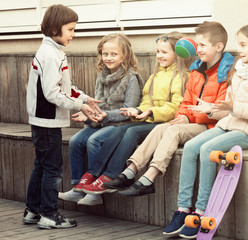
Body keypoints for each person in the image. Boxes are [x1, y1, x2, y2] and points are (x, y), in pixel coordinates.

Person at [163, 22, 248, 239]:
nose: (238, 49)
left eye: (243, 45)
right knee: (192, 147)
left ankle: (201, 211)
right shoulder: (238, 70)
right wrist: (211, 109)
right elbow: (227, 109)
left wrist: (232, 108)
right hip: (228, 124)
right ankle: (183, 210)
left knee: (208, 149)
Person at [104, 21, 234, 197]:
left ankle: (149, 178)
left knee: (173, 131)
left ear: (219, 46)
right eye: (198, 45)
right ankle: (130, 171)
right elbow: (186, 102)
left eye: (202, 45)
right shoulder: (196, 71)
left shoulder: (225, 74)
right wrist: (183, 116)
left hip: (210, 126)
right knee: (161, 128)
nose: (198, 49)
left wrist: (189, 118)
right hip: (193, 122)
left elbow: (220, 111)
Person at [62, 31, 191, 206]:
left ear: (178, 54)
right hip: (146, 118)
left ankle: (110, 175)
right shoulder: (155, 76)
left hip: (164, 123)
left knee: (126, 132)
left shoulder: (181, 77)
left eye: (164, 52)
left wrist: (148, 111)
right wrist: (137, 110)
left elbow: (176, 106)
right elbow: (146, 101)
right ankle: (90, 178)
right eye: (158, 52)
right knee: (113, 133)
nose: (159, 56)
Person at [22, 4, 102, 229]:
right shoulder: (50, 55)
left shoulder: (52, 51)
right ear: (56, 28)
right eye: (70, 29)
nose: (73, 35)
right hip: (47, 122)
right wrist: (79, 105)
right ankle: (48, 214)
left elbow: (64, 86)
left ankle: (33, 210)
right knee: (52, 169)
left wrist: (85, 99)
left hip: (43, 121)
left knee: (42, 165)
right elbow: (52, 92)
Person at [58, 33, 144, 204]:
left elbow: (128, 110)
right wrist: (89, 115)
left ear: (124, 55)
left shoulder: (131, 78)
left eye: (114, 54)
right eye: (105, 54)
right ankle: (77, 187)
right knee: (75, 140)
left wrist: (104, 116)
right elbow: (99, 104)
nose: (109, 58)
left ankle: (95, 192)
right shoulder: (102, 76)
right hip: (101, 121)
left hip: (120, 125)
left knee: (94, 141)